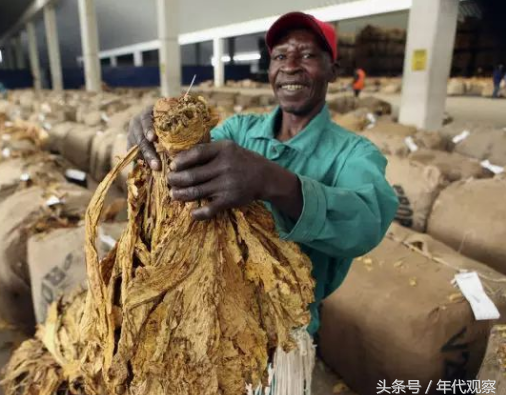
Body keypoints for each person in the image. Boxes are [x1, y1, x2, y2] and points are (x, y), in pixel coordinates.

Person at [127, 11, 398, 334]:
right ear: (270, 69)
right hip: (211, 316)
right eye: (280, 56)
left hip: (285, 329)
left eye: (308, 55)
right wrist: (161, 133)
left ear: (333, 71)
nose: (290, 65)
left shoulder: (354, 153)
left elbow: (365, 225)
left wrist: (271, 181)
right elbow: (186, 165)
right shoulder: (240, 130)